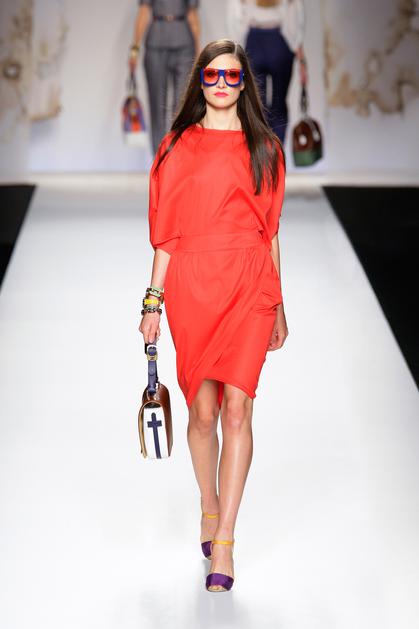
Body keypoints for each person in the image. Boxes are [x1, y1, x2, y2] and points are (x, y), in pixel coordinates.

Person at [139, 38, 289, 592]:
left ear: (244, 83)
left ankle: (224, 538)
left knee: (238, 410)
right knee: (202, 414)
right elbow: (167, 233)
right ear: (199, 81)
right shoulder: (177, 146)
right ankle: (209, 504)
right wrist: (152, 301)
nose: (222, 85)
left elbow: (270, 230)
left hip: (250, 284)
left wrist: (278, 303)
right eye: (213, 76)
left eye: (232, 76)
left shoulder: (265, 148)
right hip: (194, 286)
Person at [227, 0, 307, 143]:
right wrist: (301, 59)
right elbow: (296, 18)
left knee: (258, 105)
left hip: (255, 43)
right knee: (278, 104)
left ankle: (262, 152)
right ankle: (276, 151)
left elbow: (234, 17)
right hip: (278, 42)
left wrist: (235, 53)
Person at [129, 0, 201, 154]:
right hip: (156, 42)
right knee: (157, 105)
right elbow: (144, 12)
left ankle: (178, 157)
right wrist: (134, 49)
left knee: (181, 106)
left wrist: (198, 51)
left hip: (184, 44)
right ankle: (159, 159)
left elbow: (192, 14)